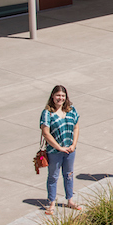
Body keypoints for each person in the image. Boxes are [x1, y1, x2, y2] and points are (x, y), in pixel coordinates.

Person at [40, 85, 81, 215]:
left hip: (69, 150)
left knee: (69, 175)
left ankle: (70, 200)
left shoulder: (71, 110)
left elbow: (76, 127)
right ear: (52, 96)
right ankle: (52, 203)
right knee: (53, 176)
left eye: (63, 96)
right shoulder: (47, 113)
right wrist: (59, 148)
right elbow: (45, 133)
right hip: (54, 152)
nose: (60, 98)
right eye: (58, 95)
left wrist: (74, 144)